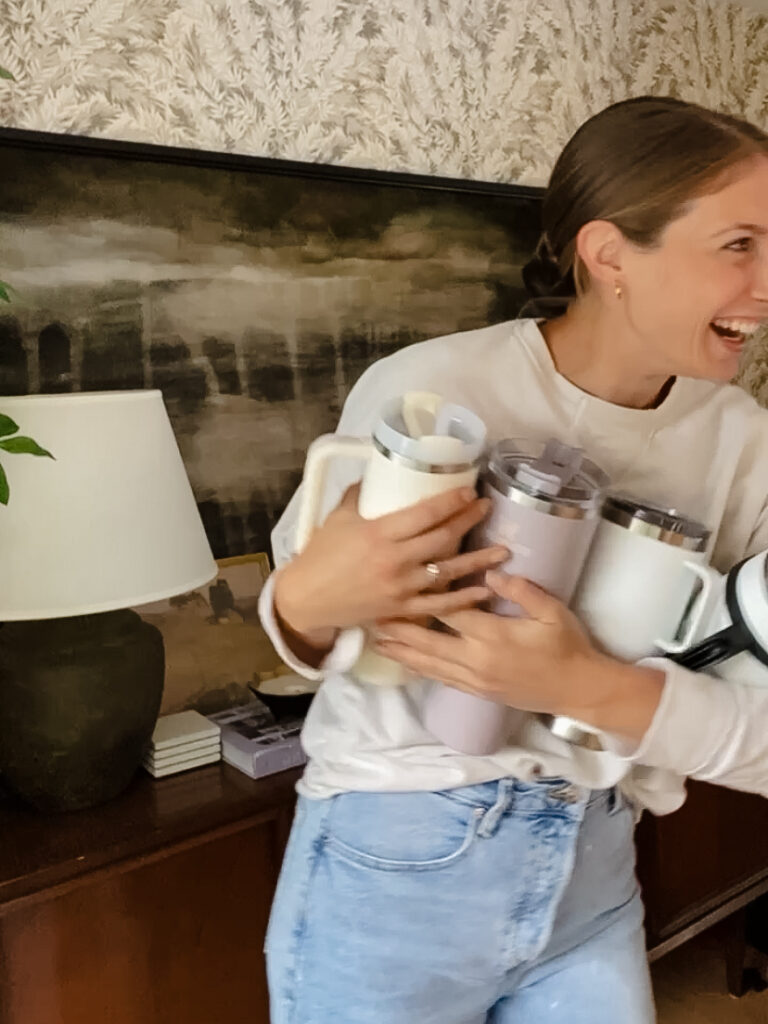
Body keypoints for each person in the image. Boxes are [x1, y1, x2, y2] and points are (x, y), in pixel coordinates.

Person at [257, 96, 768, 1024]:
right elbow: (311, 626)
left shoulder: (746, 445)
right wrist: (303, 599)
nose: (767, 280)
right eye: (741, 244)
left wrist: (587, 686)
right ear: (610, 254)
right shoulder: (436, 390)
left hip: (594, 867)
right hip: (390, 865)